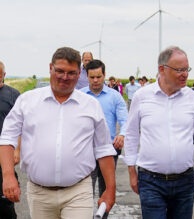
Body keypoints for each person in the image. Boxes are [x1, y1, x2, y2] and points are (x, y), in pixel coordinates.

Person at [0, 47, 117, 219]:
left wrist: (110, 189)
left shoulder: (91, 105)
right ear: (50, 68)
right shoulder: (27, 101)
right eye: (60, 71)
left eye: (71, 73)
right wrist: (8, 176)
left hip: (78, 191)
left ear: (79, 74)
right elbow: (7, 138)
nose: (64, 77)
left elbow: (103, 149)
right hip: (39, 194)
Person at [123, 46, 194, 219]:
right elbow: (131, 135)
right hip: (151, 181)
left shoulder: (192, 98)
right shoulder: (142, 97)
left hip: (184, 182)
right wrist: (131, 171)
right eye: (179, 70)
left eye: (186, 69)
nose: (185, 74)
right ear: (162, 69)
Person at [81, 59, 127, 219]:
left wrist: (122, 134)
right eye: (92, 77)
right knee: (85, 191)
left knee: (106, 190)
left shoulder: (115, 97)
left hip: (108, 151)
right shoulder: (79, 96)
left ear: (104, 75)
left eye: (98, 77)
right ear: (86, 76)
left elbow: (124, 120)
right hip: (86, 151)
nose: (95, 80)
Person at [0, 61, 20, 219]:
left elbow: (22, 127)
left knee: (5, 202)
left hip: (4, 155)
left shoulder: (13, 95)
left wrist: (18, 150)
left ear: (4, 75)